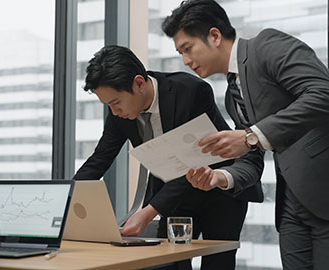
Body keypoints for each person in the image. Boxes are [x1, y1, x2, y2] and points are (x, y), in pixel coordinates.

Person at [162, 0, 329, 269]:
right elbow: (252, 157)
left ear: (214, 36)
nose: (186, 61)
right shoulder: (232, 98)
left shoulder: (267, 45)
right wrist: (220, 177)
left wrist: (250, 136)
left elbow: (323, 93)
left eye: (187, 48)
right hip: (290, 207)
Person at [74, 45, 264, 270]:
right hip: (173, 195)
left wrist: (147, 213)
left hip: (217, 189)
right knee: (167, 262)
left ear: (139, 83)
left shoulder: (191, 91)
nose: (114, 111)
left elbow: (195, 161)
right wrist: (65, 198)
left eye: (115, 102)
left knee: (217, 262)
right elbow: (100, 159)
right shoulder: (120, 114)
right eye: (107, 105)